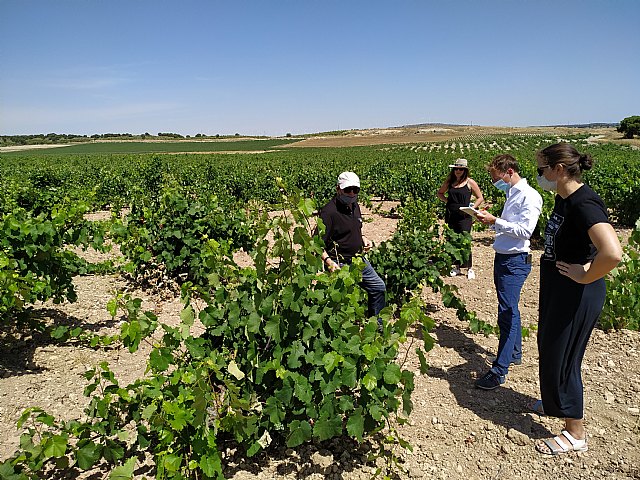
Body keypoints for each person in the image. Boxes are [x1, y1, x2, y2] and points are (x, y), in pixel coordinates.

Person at [533, 143, 622, 455]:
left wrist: (584, 274)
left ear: (559, 170)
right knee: (549, 346)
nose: (538, 176)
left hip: (578, 291)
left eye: (541, 169)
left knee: (564, 357)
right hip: (560, 287)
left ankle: (575, 433)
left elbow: (612, 253)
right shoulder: (564, 197)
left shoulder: (584, 203)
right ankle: (555, 401)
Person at [474, 154, 542, 390]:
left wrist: (496, 221)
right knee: (509, 308)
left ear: (509, 172)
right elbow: (510, 227)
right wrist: (491, 222)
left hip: (514, 262)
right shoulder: (512, 193)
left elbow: (525, 232)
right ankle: (514, 353)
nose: (495, 182)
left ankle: (499, 371)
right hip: (504, 258)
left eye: (496, 178)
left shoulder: (529, 196)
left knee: (507, 313)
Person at [317, 171, 387, 318]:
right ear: (338, 189)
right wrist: (329, 262)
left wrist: (363, 239)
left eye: (356, 190)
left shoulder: (355, 206)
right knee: (343, 302)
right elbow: (316, 244)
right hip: (339, 264)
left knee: (378, 287)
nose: (351, 193)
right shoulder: (329, 212)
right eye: (348, 189)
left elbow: (355, 228)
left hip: (357, 260)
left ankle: (377, 326)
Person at [437, 158, 484, 279]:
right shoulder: (450, 181)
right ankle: (456, 266)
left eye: (461, 169)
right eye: (456, 169)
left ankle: (469, 268)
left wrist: (472, 208)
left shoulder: (470, 182)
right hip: (451, 214)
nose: (458, 171)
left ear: (465, 170)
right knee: (452, 240)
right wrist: (449, 202)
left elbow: (480, 198)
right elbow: (440, 193)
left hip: (464, 216)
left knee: (465, 240)